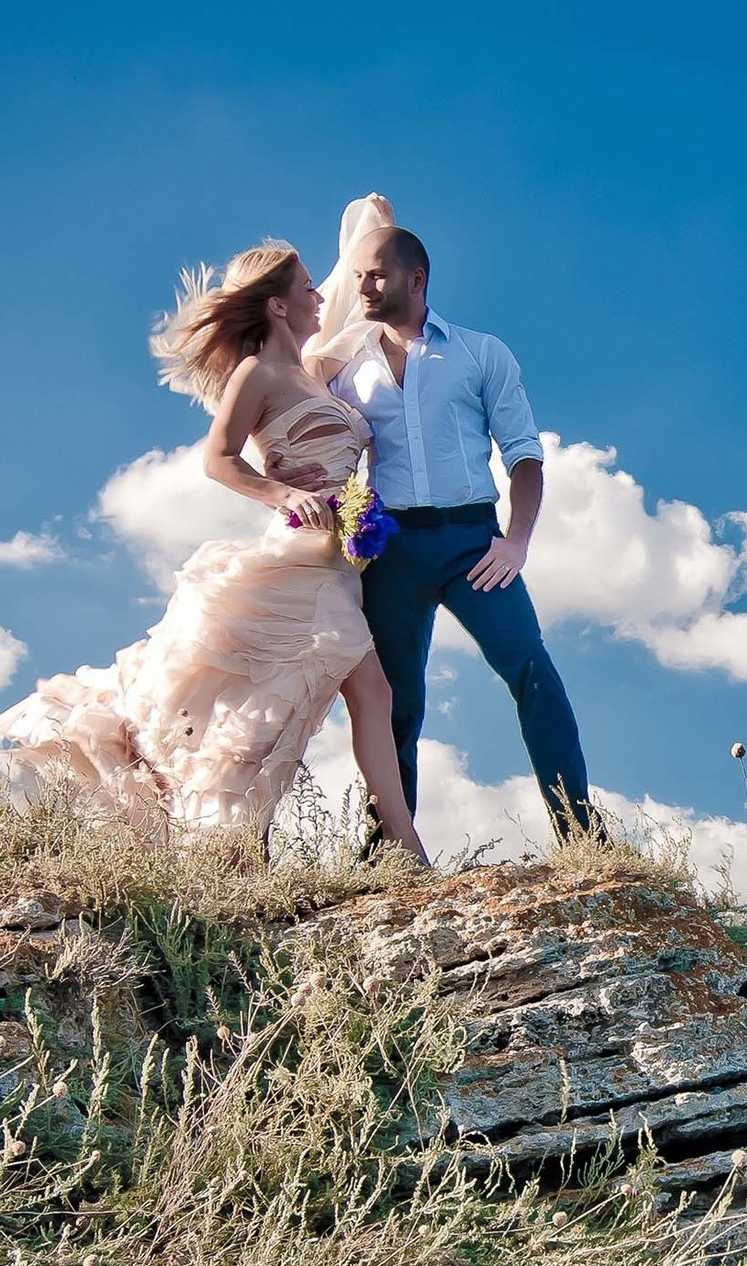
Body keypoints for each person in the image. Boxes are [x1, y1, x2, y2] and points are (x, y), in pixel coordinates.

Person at [0, 243, 429, 860]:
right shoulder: (259, 375)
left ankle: (341, 843)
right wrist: (281, 492)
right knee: (331, 698)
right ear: (277, 306)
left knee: (340, 698)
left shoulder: (318, 370)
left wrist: (378, 229)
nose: (320, 295)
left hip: (339, 563)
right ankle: (373, 845)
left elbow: (356, 301)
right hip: (297, 557)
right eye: (307, 287)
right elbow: (217, 459)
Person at [312, 195, 599, 839]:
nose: (363, 285)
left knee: (531, 667)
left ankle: (581, 831)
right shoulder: (342, 370)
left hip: (475, 544)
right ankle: (390, 844)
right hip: (389, 553)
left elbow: (524, 454)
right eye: (357, 274)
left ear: (417, 278)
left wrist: (518, 540)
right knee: (396, 702)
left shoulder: (479, 353)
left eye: (377, 273)